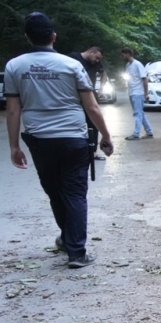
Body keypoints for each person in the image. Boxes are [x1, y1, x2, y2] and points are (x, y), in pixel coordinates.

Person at [5, 12, 114, 269]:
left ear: (27, 37)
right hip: (73, 137)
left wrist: (14, 146)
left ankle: (68, 239)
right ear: (54, 36)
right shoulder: (71, 65)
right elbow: (92, 107)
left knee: (54, 191)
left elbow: (13, 110)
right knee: (75, 193)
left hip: (39, 139)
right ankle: (76, 251)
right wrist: (106, 137)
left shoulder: (14, 66)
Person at [69, 46, 108, 160]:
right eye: (97, 57)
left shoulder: (95, 63)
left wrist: (101, 87)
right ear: (92, 52)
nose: (97, 60)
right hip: (74, 96)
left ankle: (93, 152)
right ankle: (74, 151)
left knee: (93, 122)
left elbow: (103, 73)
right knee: (74, 123)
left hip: (90, 95)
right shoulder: (72, 58)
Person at [121, 47, 153, 140]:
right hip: (131, 92)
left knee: (137, 113)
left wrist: (146, 93)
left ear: (128, 54)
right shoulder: (127, 65)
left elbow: (144, 79)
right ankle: (149, 132)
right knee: (140, 113)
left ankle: (136, 134)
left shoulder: (138, 64)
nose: (122, 57)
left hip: (138, 92)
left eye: (123, 55)